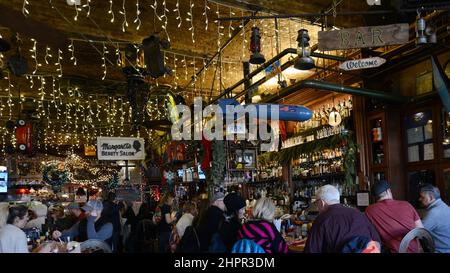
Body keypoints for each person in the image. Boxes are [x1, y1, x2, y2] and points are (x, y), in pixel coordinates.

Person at [304, 185, 380, 253]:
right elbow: (377, 242)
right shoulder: (359, 214)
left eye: (316, 203)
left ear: (322, 202)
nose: (317, 207)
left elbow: (311, 250)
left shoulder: (321, 220)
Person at [365, 180, 423, 253]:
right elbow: (421, 230)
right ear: (388, 191)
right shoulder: (406, 205)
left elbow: (369, 234)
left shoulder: (369, 210)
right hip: (413, 250)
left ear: (375, 196)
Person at [418, 184, 450, 253]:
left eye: (422, 197)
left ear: (431, 197)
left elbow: (418, 232)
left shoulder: (434, 213)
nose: (419, 199)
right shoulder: (445, 207)